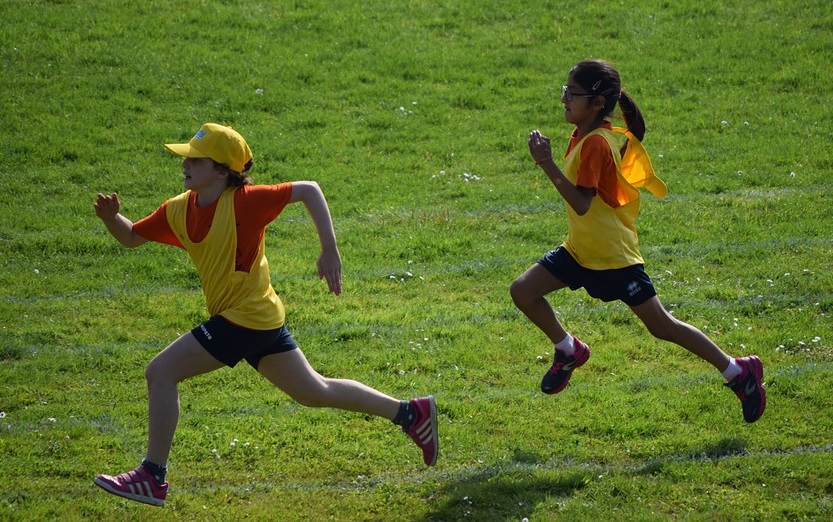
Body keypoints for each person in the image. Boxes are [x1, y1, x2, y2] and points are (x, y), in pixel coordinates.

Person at [92, 123, 438, 507]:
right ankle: (410, 414)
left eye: (197, 160)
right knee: (314, 391)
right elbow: (132, 237)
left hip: (246, 316)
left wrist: (330, 249)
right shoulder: (178, 209)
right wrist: (111, 218)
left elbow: (310, 190)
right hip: (260, 316)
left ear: (222, 172)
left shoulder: (245, 201)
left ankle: (151, 476)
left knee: (161, 371)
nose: (186, 165)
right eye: (186, 158)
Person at [510, 59, 765, 424]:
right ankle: (568, 350)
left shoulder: (597, 143)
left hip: (614, 257)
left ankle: (738, 372)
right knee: (523, 291)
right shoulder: (582, 134)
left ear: (597, 103)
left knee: (662, 327)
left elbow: (582, 204)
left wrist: (545, 163)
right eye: (565, 91)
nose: (565, 99)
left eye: (573, 93)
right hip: (580, 251)